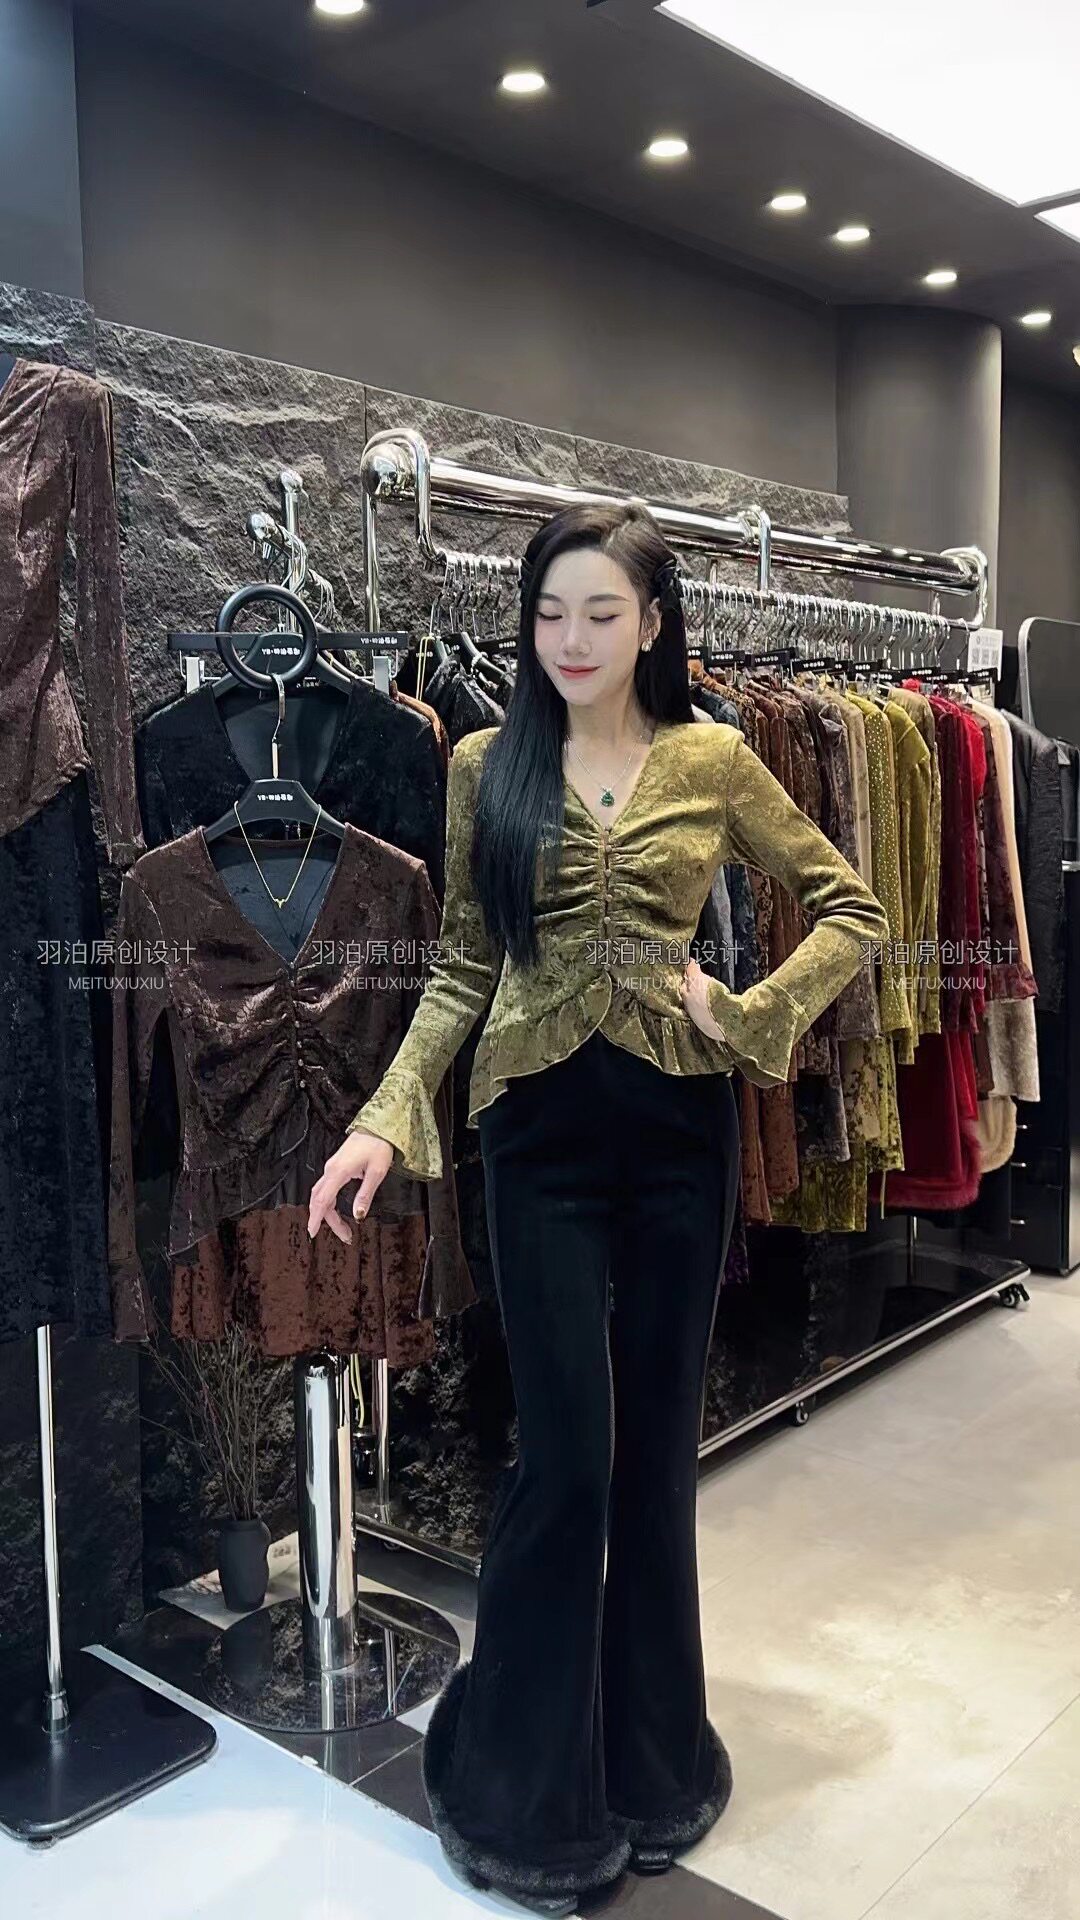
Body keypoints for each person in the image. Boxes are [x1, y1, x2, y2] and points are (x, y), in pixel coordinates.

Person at [308, 502, 890, 1914]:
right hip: (538, 1139)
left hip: (681, 1133)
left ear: (653, 624)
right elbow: (463, 965)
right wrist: (385, 1116)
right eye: (549, 612)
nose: (570, 640)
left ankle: (652, 1763)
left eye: (601, 613)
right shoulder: (483, 765)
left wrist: (745, 1012)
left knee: (654, 1459)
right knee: (565, 1457)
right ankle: (524, 1787)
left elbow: (854, 909)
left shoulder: (715, 756)